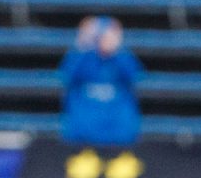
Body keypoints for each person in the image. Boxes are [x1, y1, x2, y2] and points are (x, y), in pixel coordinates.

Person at [58, 17, 142, 148]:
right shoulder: (83, 57)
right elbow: (68, 75)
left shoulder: (122, 58)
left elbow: (134, 76)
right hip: (82, 134)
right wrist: (83, 44)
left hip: (118, 133)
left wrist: (117, 50)